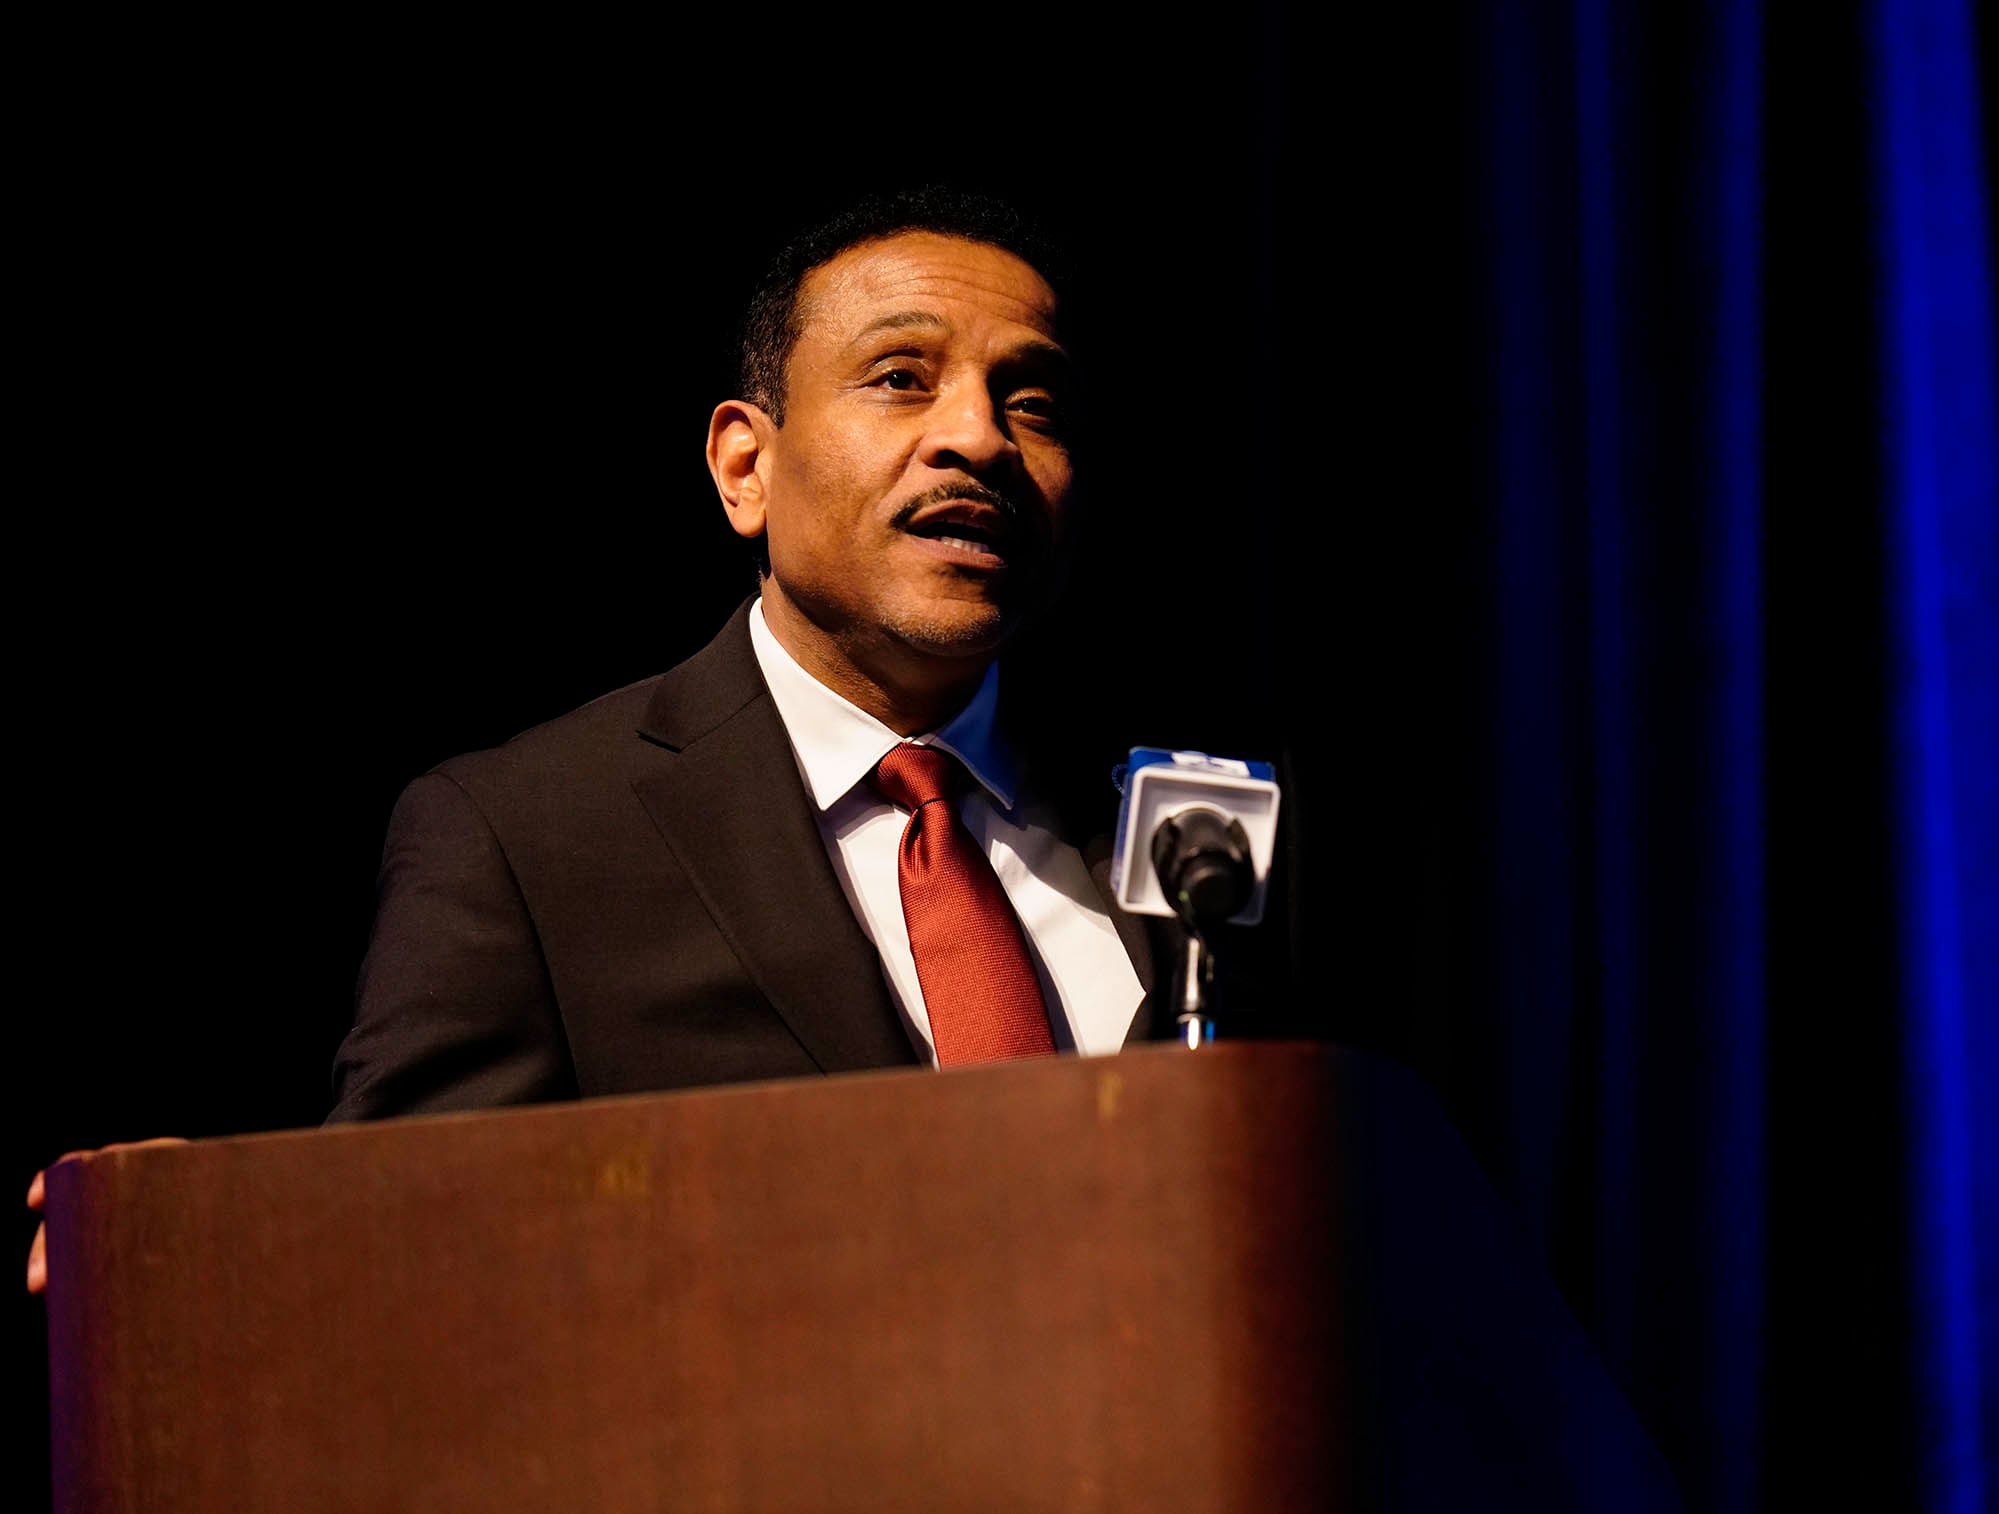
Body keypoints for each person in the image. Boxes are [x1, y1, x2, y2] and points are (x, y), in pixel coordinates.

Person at [26, 186, 1230, 1287]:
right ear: (743, 467)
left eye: (1033, 400)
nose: (978, 436)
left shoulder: (1189, 834)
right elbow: (403, 1259)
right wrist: (221, 1236)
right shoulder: (527, 837)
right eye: (901, 377)